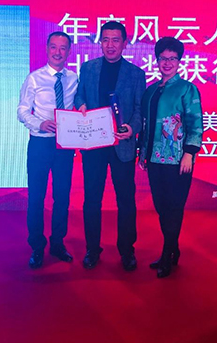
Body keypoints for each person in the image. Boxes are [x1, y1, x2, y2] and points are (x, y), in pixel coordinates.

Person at [75, 21, 146, 271]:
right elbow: (79, 94)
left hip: (122, 145)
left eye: (116, 40)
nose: (110, 45)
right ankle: (92, 249)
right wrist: (81, 105)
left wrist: (132, 129)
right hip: (94, 144)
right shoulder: (89, 68)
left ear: (125, 43)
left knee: (125, 199)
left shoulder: (136, 74)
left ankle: (127, 250)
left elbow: (139, 109)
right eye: (105, 39)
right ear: (100, 42)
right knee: (91, 199)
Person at [138, 37, 203, 278]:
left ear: (179, 61)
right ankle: (173, 249)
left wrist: (189, 153)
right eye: (163, 58)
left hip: (177, 161)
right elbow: (146, 126)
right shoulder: (151, 91)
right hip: (154, 159)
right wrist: (142, 153)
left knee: (174, 207)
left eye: (172, 58)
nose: (167, 63)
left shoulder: (187, 89)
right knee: (161, 207)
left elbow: (195, 122)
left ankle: (167, 254)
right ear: (156, 60)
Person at [17, 31, 78, 269]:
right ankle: (36, 246)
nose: (58, 52)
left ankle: (57, 243)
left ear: (69, 51)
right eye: (53, 47)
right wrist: (39, 123)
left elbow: (79, 106)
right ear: (47, 49)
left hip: (65, 145)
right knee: (36, 196)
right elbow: (22, 111)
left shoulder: (73, 78)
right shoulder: (34, 78)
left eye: (63, 48)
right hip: (40, 143)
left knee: (62, 196)